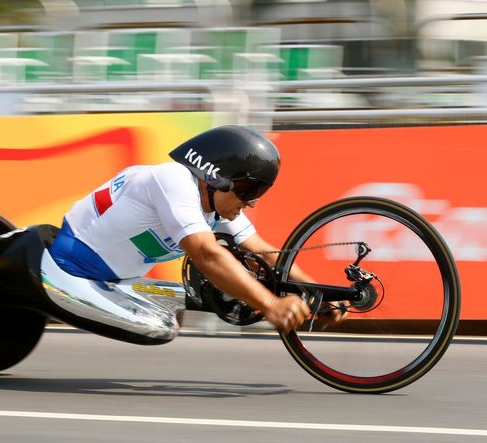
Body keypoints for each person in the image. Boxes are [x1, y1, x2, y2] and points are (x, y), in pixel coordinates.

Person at [49, 125, 347, 333]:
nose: (252, 202)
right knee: (157, 329)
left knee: (167, 325)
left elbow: (267, 255)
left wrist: (319, 293)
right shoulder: (173, 179)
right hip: (70, 268)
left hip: (115, 281)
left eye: (257, 193)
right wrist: (270, 304)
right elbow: (205, 253)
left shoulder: (216, 206)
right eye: (247, 190)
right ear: (216, 177)